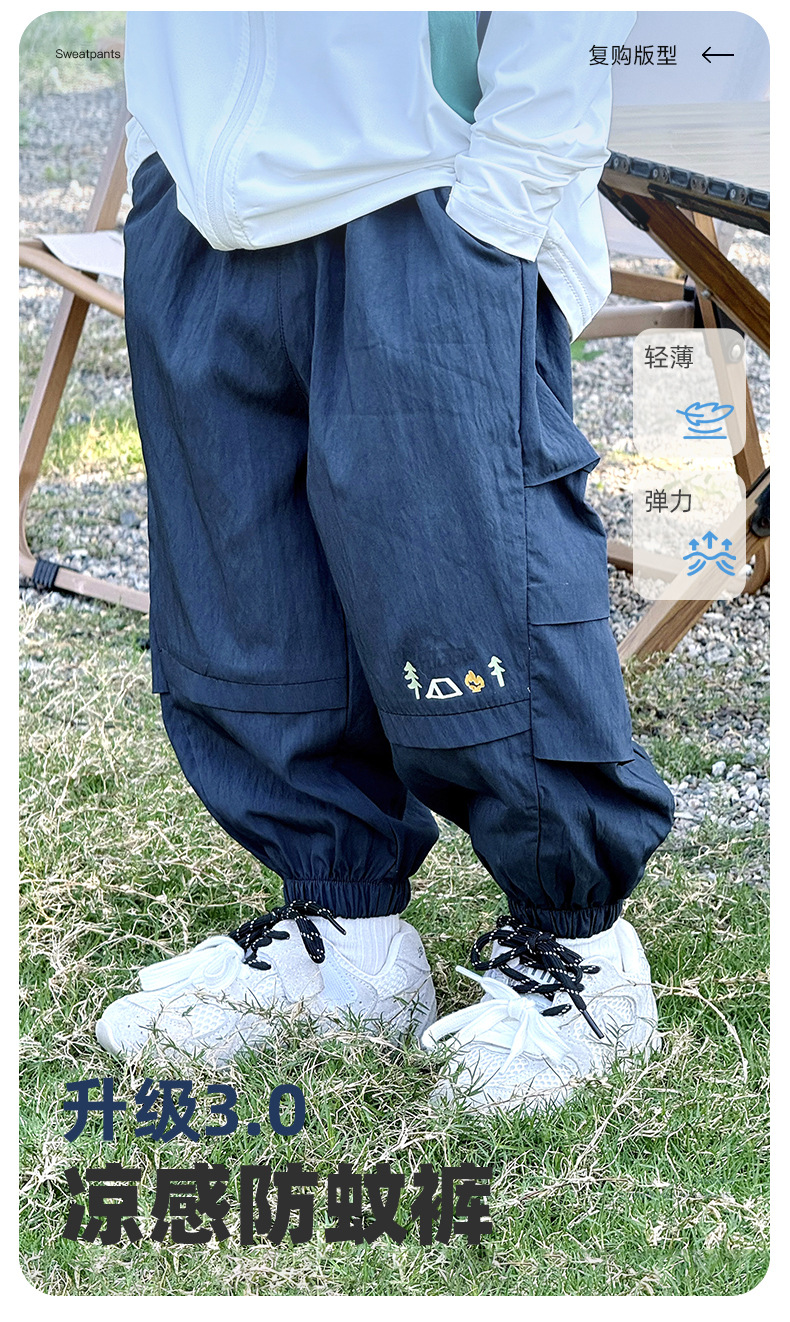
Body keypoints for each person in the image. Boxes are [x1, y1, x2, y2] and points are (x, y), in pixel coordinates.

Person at [97, 10, 675, 1113]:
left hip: (418, 183)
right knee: (250, 602)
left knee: (469, 588)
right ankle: (347, 938)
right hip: (205, 198)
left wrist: (501, 206)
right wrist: (159, 153)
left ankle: (584, 957)